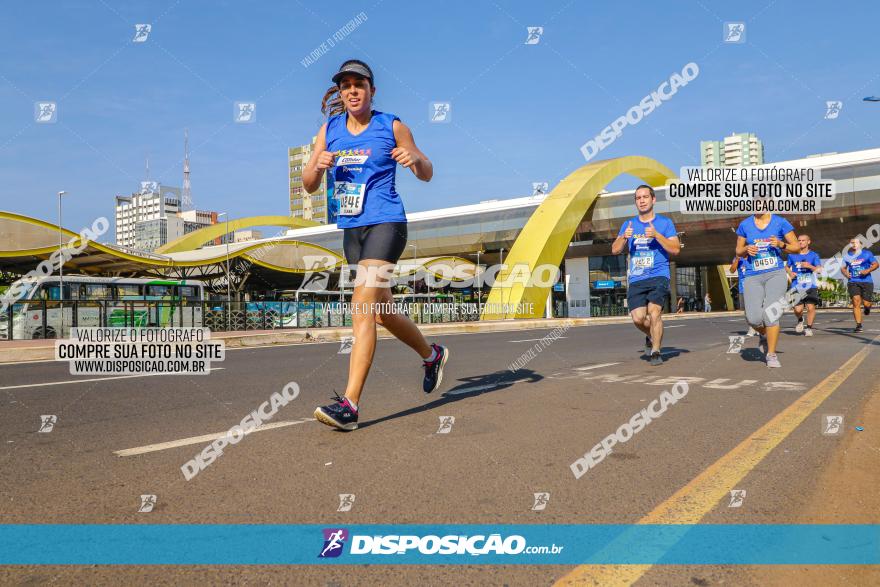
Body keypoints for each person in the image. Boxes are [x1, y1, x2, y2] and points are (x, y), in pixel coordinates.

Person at [304, 59, 449, 431]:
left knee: (361, 307)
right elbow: (308, 184)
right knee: (381, 311)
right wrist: (317, 165)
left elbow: (427, 171)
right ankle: (432, 354)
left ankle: (350, 405)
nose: (352, 90)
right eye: (345, 85)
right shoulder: (329, 129)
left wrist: (414, 158)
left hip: (386, 223)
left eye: (359, 84)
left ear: (372, 90)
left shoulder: (391, 125)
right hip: (352, 230)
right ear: (340, 92)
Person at [611, 185, 680, 366]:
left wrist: (657, 235)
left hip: (659, 275)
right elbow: (615, 249)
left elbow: (675, 249)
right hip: (637, 278)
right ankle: (651, 335)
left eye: (645, 197)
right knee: (638, 318)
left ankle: (656, 352)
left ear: (653, 200)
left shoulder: (665, 223)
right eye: (638, 198)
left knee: (654, 312)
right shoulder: (629, 224)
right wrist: (624, 237)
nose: (641, 200)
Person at [735, 213, 799, 367]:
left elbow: (796, 247)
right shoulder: (745, 224)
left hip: (775, 273)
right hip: (752, 275)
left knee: (770, 314)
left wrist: (781, 244)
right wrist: (746, 249)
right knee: (753, 318)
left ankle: (771, 354)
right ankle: (764, 333)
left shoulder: (780, 222)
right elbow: (738, 251)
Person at [785, 234, 822, 336]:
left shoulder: (814, 255)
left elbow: (819, 270)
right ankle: (800, 320)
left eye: (803, 240)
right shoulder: (792, 255)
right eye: (799, 240)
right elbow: (787, 266)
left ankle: (809, 328)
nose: (800, 242)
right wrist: (790, 273)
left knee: (810, 307)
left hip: (810, 286)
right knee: (798, 309)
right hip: (796, 285)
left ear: (808, 242)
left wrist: (810, 266)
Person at [841, 237, 878, 333]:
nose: (853, 244)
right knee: (856, 301)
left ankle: (867, 308)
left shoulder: (867, 254)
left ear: (860, 244)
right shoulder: (846, 256)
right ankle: (858, 325)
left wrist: (868, 270)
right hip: (853, 281)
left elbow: (875, 264)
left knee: (866, 303)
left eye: (856, 242)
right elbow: (843, 268)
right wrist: (845, 273)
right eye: (851, 242)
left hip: (867, 281)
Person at [730, 256, 757, 336]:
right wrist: (737, 260)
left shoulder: (754, 257)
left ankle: (759, 327)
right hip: (743, 288)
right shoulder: (737, 259)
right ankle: (751, 328)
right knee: (747, 311)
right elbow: (732, 270)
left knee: (757, 308)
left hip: (755, 287)